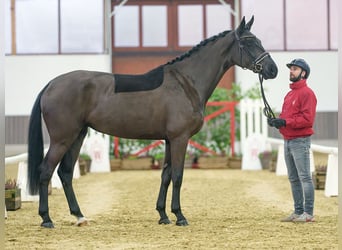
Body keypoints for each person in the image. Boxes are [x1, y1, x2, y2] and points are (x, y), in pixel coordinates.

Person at [268, 58, 317, 223]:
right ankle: (298, 212)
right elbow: (287, 118)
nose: (291, 71)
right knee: (294, 178)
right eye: (291, 69)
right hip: (288, 140)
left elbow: (307, 120)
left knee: (304, 177)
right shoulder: (290, 94)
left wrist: (285, 122)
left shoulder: (307, 94)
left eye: (295, 69)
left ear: (303, 73)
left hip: (300, 141)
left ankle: (308, 214)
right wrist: (277, 122)